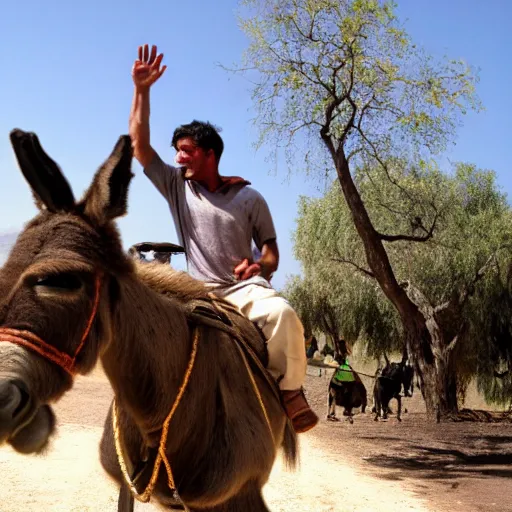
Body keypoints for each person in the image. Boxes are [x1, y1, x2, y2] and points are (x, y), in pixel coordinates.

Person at [128, 44, 318, 434]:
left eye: (187, 151)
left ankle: (291, 392)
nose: (179, 159)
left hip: (244, 290)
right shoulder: (178, 187)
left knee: (283, 315)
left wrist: (258, 266)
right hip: (196, 289)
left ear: (210, 154)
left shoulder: (250, 198)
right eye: (177, 152)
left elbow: (272, 254)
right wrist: (141, 90)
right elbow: (139, 147)